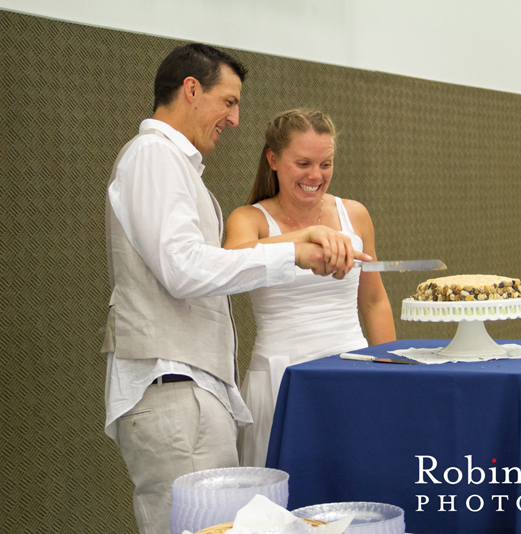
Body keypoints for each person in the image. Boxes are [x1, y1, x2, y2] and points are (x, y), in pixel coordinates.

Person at [101, 45, 368, 534]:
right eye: (228, 101)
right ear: (191, 89)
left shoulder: (175, 167)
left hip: (193, 391)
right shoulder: (154, 156)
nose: (236, 118)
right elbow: (183, 270)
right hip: (174, 389)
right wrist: (291, 251)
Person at [224, 109, 397, 467]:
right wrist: (303, 238)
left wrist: (390, 368)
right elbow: (230, 260)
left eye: (326, 164)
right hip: (280, 379)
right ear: (273, 159)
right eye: (303, 163)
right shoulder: (250, 218)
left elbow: (375, 300)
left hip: (352, 369)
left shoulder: (355, 215)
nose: (315, 176)